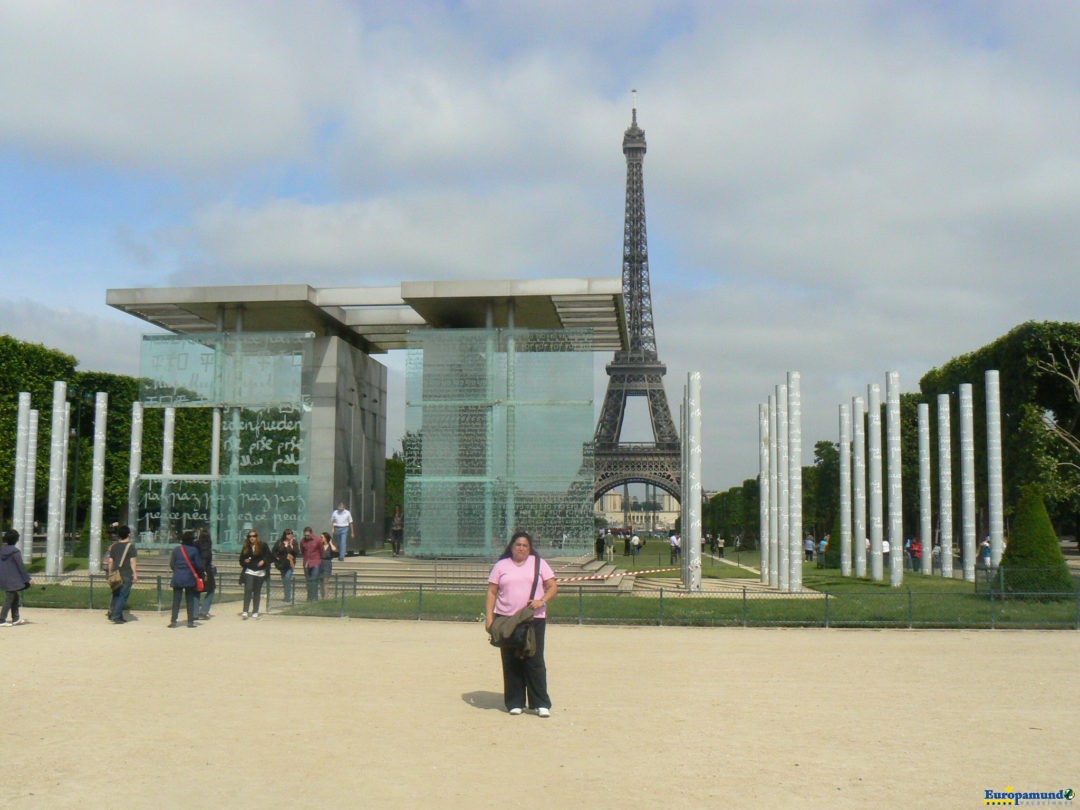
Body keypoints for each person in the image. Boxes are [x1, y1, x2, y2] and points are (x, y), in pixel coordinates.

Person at [485, 531, 557, 717]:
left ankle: (540, 702)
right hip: (506, 618)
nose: (521, 548)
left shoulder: (539, 564)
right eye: (518, 545)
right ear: (511, 546)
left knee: (534, 659)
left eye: (525, 545)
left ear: (530, 548)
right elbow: (492, 592)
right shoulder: (501, 566)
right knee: (511, 660)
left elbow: (553, 586)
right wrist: (489, 618)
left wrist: (542, 600)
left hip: (533, 619)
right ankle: (515, 702)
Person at [168, 531, 204, 628]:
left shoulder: (176, 550)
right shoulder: (194, 550)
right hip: (189, 577)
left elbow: (172, 564)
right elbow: (198, 565)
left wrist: (177, 570)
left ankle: (173, 621)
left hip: (178, 577)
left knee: (176, 600)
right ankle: (190, 621)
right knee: (189, 600)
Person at [106, 524, 139, 624]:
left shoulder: (114, 546)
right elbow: (132, 561)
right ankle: (116, 616)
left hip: (115, 573)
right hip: (126, 573)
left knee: (116, 594)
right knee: (123, 595)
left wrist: (110, 572)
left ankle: (117, 615)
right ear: (129, 534)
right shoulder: (130, 546)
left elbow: (110, 561)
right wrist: (135, 574)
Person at [0, 529, 32, 627]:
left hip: (3, 578)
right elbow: (21, 566)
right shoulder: (15, 552)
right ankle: (2, 619)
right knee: (10, 598)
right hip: (12, 579)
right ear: (16, 540)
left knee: (15, 597)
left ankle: (16, 618)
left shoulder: (2, 550)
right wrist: (28, 579)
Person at [239, 529, 271, 619]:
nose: (252, 538)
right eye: (250, 536)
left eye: (254, 536)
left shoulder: (263, 545)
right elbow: (241, 560)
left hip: (260, 572)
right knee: (248, 589)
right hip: (249, 571)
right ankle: (245, 611)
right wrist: (245, 561)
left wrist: (263, 561)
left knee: (257, 592)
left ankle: (255, 611)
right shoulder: (246, 547)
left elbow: (268, 556)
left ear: (257, 537)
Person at [272, 528, 300, 604]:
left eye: (291, 533)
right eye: (288, 533)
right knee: (284, 580)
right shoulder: (279, 542)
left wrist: (291, 546)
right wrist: (277, 557)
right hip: (282, 564)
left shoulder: (294, 542)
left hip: (290, 564)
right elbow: (274, 551)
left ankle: (288, 597)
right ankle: (286, 596)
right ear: (285, 534)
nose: (290, 535)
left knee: (287, 578)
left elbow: (297, 552)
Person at [195, 528, 215, 619]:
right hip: (205, 571)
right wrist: (204, 572)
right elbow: (204, 560)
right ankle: (204, 610)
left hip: (195, 570)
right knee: (211, 589)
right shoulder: (206, 548)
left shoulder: (196, 545)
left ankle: (194, 612)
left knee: (196, 591)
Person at [300, 526, 322, 601]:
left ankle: (315, 597)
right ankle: (309, 597)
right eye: (305, 535)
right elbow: (302, 551)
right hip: (306, 562)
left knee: (314, 579)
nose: (306, 537)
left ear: (311, 534)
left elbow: (321, 550)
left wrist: (318, 559)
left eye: (308, 535)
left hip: (315, 562)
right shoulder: (303, 541)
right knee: (308, 580)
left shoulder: (318, 540)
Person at [319, 531, 338, 598]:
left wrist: (330, 543)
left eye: (322, 537)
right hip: (320, 563)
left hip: (327, 564)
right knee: (321, 581)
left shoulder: (330, 546)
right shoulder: (320, 545)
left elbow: (335, 550)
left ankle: (326, 596)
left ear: (326, 538)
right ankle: (322, 596)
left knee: (325, 580)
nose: (320, 538)